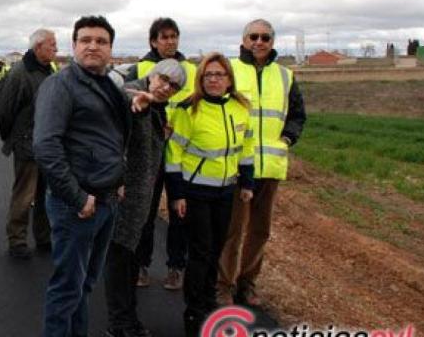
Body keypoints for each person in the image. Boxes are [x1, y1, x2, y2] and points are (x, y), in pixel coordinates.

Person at [34, 15, 150, 337]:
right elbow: (46, 146)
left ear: (111, 48)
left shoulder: (108, 85)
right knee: (67, 288)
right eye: (85, 40)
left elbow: (111, 138)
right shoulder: (60, 85)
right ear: (74, 46)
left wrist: (119, 180)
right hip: (77, 205)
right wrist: (77, 196)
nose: (92, 46)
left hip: (106, 201)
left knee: (84, 286)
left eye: (101, 41)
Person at [217, 19, 306, 307]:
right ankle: (223, 285)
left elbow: (297, 115)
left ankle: (247, 283)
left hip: (270, 168)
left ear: (272, 41)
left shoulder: (285, 76)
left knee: (260, 231)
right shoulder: (230, 69)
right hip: (236, 167)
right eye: (253, 36)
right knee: (233, 231)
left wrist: (288, 139)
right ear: (243, 40)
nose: (259, 41)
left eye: (265, 37)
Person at [165, 53, 254, 337]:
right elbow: (174, 154)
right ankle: (195, 314)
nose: (214, 79)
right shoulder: (188, 109)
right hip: (195, 191)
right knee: (201, 251)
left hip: (226, 190)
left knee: (216, 248)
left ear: (229, 79)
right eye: (208, 75)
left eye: (220, 74)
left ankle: (207, 302)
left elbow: (246, 149)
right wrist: (177, 194)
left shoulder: (241, 108)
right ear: (201, 80)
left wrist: (248, 184)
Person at [103, 59, 187, 337]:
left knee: (129, 260)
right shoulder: (133, 94)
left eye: (174, 86)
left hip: (140, 196)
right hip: (125, 194)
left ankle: (128, 319)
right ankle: (119, 324)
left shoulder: (159, 108)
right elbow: (126, 115)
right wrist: (139, 108)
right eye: (163, 79)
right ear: (152, 74)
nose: (166, 87)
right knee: (119, 260)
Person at [123, 17, 197, 291]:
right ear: (153, 41)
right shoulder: (140, 68)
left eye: (174, 36)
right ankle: (141, 264)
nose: (170, 41)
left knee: (180, 213)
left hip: (181, 154)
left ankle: (175, 267)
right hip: (149, 153)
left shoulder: (191, 70)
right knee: (146, 211)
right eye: (164, 37)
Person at [0, 28, 57, 260]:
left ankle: (43, 237)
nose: (56, 49)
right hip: (27, 146)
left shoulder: (48, 71)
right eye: (52, 45)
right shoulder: (20, 73)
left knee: (44, 195)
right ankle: (17, 240)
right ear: (38, 47)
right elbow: (1, 109)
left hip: (47, 146)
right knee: (24, 195)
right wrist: (13, 137)